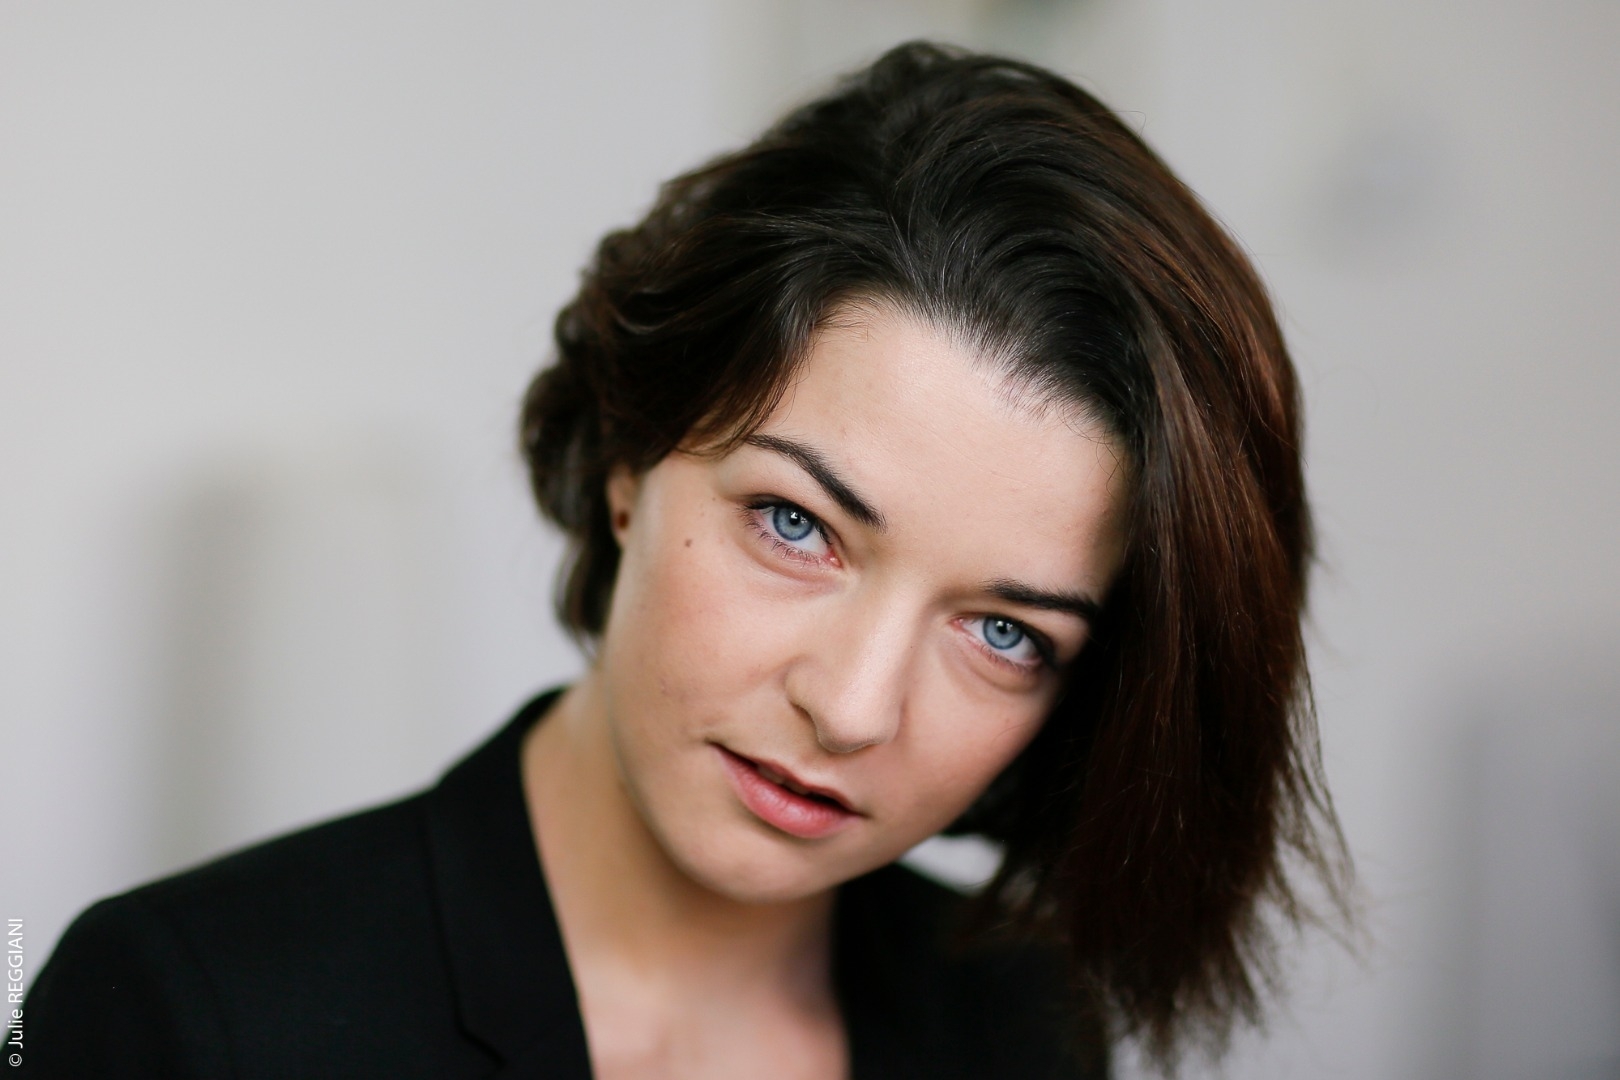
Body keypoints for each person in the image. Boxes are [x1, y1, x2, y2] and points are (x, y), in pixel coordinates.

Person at [22, 41, 1348, 1078]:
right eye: (797, 525)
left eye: (1006, 632)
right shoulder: (188, 1010)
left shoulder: (1018, 1025)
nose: (853, 707)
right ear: (627, 456)